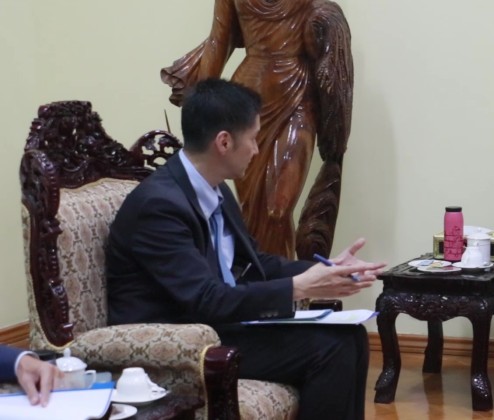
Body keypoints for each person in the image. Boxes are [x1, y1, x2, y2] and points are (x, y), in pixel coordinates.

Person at [105, 78, 385, 420]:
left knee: (351, 336)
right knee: (330, 349)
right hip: (180, 339)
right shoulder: (159, 206)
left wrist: (322, 271)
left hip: (218, 324)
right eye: (253, 138)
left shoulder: (216, 189)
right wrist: (298, 288)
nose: (256, 149)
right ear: (224, 142)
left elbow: (253, 263)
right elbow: (204, 299)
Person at [161, 0, 354, 259]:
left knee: (278, 208)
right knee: (251, 208)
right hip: (248, 99)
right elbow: (219, 42)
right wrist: (201, 108)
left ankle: (285, 280)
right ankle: (263, 277)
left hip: (298, 98)